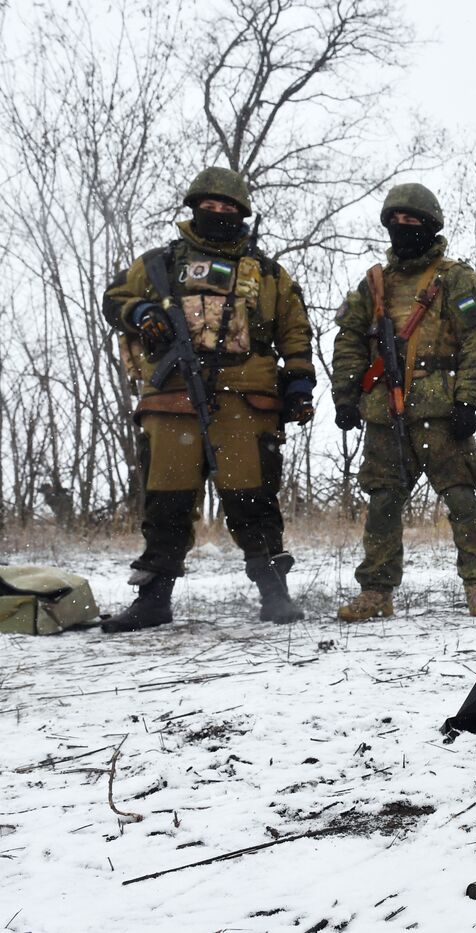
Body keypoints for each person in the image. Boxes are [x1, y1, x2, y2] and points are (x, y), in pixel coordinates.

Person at [101, 167, 315, 632]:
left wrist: (299, 384)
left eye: (229, 208)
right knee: (165, 500)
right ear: (194, 208)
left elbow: (295, 332)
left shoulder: (268, 274)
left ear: (242, 214)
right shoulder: (157, 265)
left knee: (252, 497)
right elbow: (114, 299)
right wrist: (139, 311)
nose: (218, 214)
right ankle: (153, 598)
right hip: (171, 398)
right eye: (210, 206)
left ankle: (273, 592)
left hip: (245, 398)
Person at [332, 183, 476, 620]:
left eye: (413, 222)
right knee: (383, 504)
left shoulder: (457, 280)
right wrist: (345, 395)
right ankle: (376, 592)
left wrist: (468, 401)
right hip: (385, 412)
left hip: (441, 413)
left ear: (431, 226)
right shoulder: (374, 285)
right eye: (396, 222)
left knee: (463, 500)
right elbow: (349, 340)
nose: (403, 229)